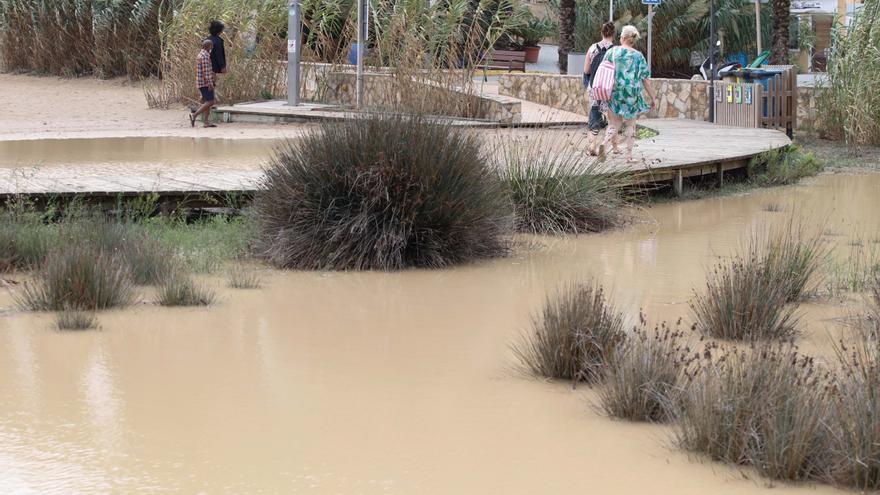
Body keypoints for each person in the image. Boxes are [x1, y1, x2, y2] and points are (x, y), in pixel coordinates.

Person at [599, 25, 657, 163]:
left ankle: (605, 142)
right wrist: (653, 98)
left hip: (614, 92)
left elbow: (604, 71)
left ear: (623, 38)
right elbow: (645, 80)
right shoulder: (638, 56)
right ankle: (629, 157)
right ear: (633, 39)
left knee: (614, 124)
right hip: (632, 95)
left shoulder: (612, 52)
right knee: (631, 125)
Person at [582, 21, 616, 156]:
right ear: (613, 34)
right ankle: (612, 146)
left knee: (594, 117)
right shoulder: (616, 51)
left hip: (595, 89)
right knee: (613, 120)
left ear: (602, 32)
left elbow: (586, 70)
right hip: (610, 90)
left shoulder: (592, 48)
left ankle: (592, 144)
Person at [190, 39, 217, 128]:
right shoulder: (205, 56)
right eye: (211, 46)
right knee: (211, 101)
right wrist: (210, 84)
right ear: (208, 47)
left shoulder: (200, 55)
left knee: (207, 101)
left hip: (201, 82)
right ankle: (194, 115)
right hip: (205, 83)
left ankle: (206, 122)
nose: (212, 48)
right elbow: (206, 72)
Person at [207, 20, 227, 85]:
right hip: (213, 67)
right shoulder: (218, 41)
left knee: (207, 84)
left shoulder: (206, 39)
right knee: (212, 83)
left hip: (205, 65)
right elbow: (219, 55)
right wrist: (222, 67)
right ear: (220, 30)